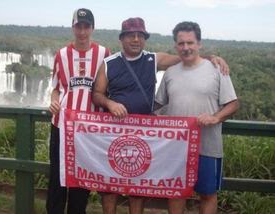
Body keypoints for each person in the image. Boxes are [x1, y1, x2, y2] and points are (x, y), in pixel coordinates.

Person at [92, 17, 229, 214]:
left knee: (137, 185)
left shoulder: (153, 59)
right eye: (131, 35)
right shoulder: (109, 63)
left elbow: (187, 56)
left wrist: (213, 57)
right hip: (114, 133)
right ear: (122, 38)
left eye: (140, 35)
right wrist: (109, 103)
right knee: (108, 188)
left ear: (145, 39)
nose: (136, 39)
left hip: (144, 135)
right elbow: (97, 95)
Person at [155, 21, 239, 214]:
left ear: (199, 44)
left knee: (207, 194)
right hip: (176, 147)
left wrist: (216, 118)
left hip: (207, 146)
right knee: (176, 193)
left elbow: (233, 104)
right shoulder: (170, 73)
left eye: (190, 43)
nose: (186, 48)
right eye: (181, 43)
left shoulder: (217, 69)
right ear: (176, 46)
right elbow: (157, 104)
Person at [47, 8, 110, 214]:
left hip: (88, 129)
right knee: (57, 176)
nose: (82, 32)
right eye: (78, 26)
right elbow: (55, 89)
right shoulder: (62, 55)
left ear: (92, 28)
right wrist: (53, 102)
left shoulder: (103, 53)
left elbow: (108, 88)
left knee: (81, 178)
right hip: (61, 125)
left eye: (86, 27)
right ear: (73, 27)